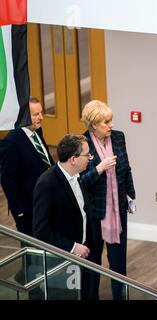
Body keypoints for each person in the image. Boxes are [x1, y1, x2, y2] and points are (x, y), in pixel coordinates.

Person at [80, 100, 136, 300]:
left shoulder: (119, 138)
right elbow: (79, 182)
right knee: (93, 262)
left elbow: (126, 169)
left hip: (118, 209)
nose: (111, 125)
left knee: (119, 263)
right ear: (94, 124)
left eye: (111, 120)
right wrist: (99, 168)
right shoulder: (82, 144)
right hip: (95, 212)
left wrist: (131, 196)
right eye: (106, 122)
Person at [32, 135, 92, 299]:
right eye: (87, 155)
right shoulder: (47, 183)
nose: (90, 158)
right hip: (61, 259)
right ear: (73, 159)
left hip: (83, 254)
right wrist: (72, 247)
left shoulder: (76, 177)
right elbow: (41, 230)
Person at [0, 96, 54, 236]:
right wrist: (20, 213)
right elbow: (8, 181)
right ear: (23, 115)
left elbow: (46, 162)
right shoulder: (11, 142)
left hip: (48, 203)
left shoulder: (37, 131)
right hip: (29, 211)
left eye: (41, 112)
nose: (41, 117)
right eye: (36, 114)